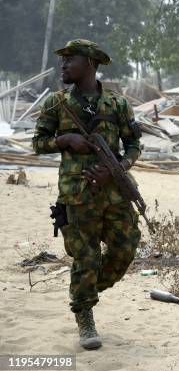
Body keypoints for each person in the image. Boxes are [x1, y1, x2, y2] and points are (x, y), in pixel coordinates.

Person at [32, 39, 142, 350]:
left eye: (70, 60)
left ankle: (86, 292)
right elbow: (38, 143)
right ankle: (84, 314)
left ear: (89, 64)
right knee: (87, 256)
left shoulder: (118, 105)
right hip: (77, 195)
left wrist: (117, 167)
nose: (63, 65)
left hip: (115, 194)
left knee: (125, 250)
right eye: (63, 60)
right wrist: (65, 139)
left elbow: (134, 145)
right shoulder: (57, 103)